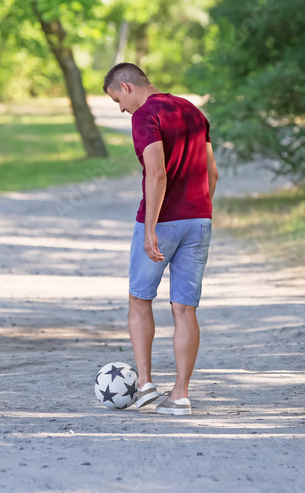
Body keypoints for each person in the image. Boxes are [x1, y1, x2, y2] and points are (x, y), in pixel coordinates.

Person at [103, 63, 218, 416]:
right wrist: (200, 210)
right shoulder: (193, 111)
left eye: (116, 100)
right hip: (199, 220)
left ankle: (147, 386)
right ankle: (180, 395)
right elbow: (213, 173)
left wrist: (151, 226)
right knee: (185, 309)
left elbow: (156, 173)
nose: (121, 109)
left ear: (126, 86)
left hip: (162, 222)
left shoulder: (145, 116)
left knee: (139, 300)